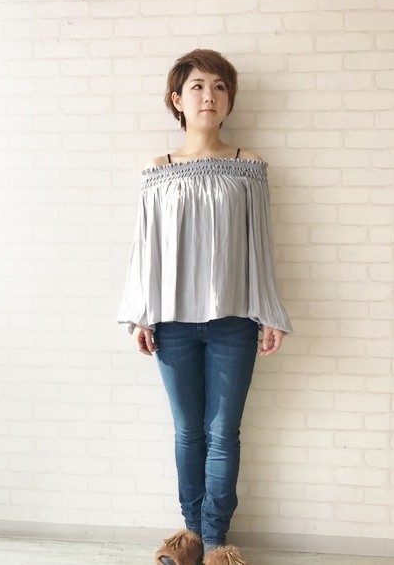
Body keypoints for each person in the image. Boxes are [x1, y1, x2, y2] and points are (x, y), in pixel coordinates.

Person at [118, 49, 293, 565]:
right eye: (197, 86)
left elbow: (260, 246)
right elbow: (145, 248)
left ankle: (215, 543)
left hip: (234, 323)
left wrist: (270, 312)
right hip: (172, 324)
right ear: (177, 99)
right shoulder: (159, 170)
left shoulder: (248, 167)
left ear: (229, 100)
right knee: (188, 432)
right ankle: (190, 537)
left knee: (222, 434)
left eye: (219, 87)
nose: (208, 96)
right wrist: (139, 314)